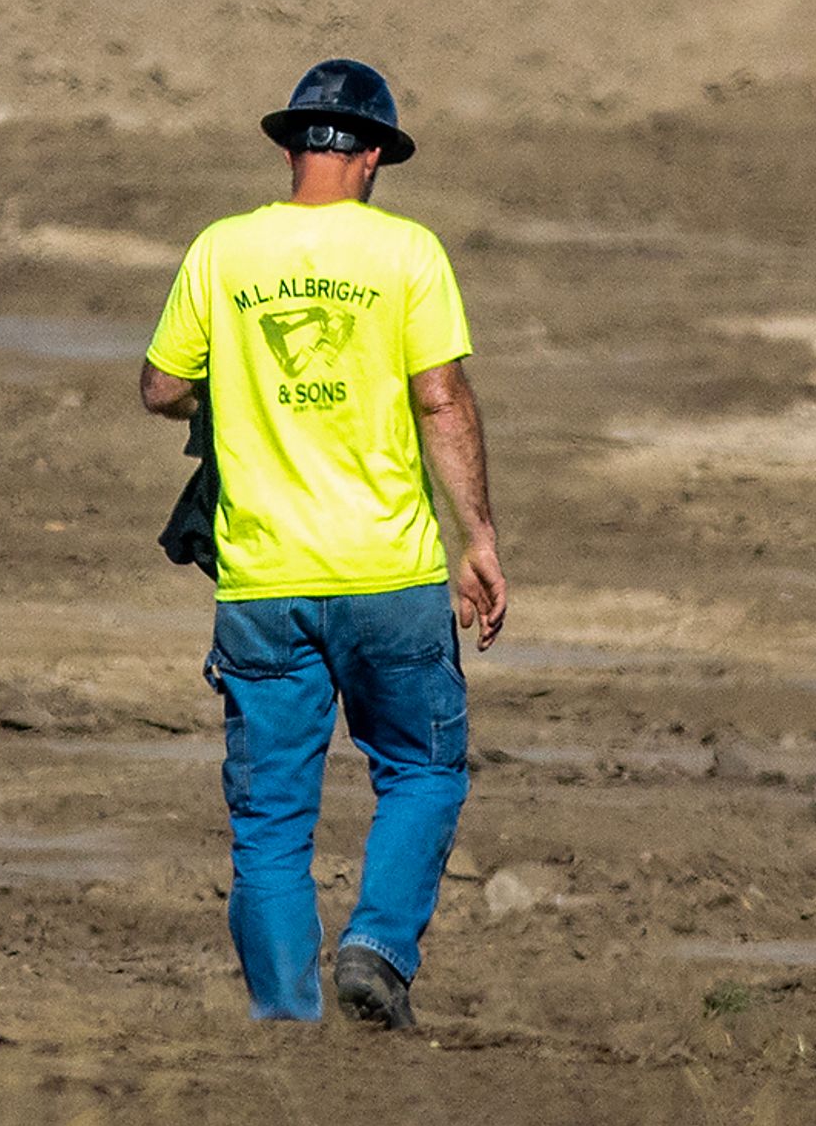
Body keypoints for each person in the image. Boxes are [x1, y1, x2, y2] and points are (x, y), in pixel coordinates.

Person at [140, 57, 506, 1028]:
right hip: (388, 574)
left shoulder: (222, 252)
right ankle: (379, 947)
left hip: (263, 585)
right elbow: (440, 395)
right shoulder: (407, 255)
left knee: (269, 826)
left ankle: (286, 1029)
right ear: (376, 154)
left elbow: (161, 387)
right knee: (423, 769)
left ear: (292, 146)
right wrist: (478, 538)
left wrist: (242, 386)